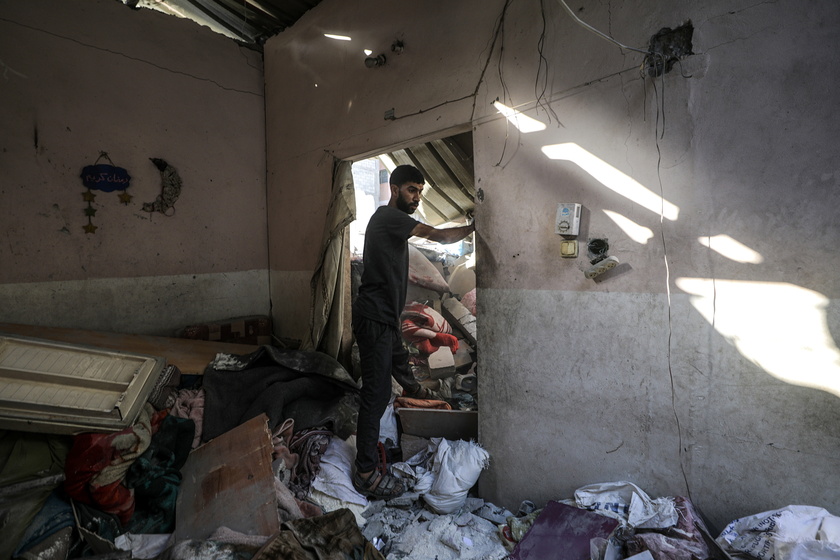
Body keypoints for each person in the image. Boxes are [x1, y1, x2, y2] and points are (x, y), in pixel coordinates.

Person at [352, 164, 475, 499]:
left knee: (403, 369)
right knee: (375, 396)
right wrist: (476, 226)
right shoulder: (387, 217)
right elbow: (438, 235)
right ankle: (365, 471)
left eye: (420, 192)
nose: (416, 198)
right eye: (411, 190)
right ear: (394, 189)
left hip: (386, 318)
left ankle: (422, 398)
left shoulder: (393, 224)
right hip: (374, 319)